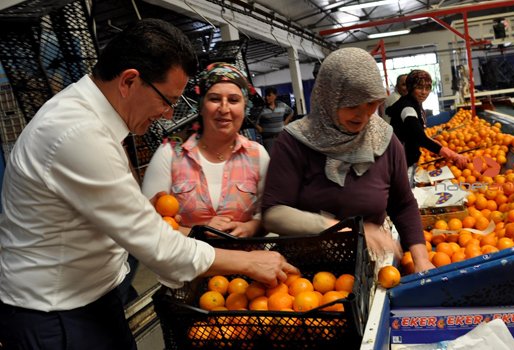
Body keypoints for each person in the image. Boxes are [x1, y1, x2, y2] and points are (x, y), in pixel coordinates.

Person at [0, 19, 297, 350]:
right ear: (129, 81)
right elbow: (156, 244)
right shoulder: (77, 133)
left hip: (93, 298)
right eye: (167, 100)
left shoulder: (98, 121)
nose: (169, 115)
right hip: (57, 314)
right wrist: (248, 262)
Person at [261, 48, 435, 273]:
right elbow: (274, 214)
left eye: (371, 104)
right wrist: (346, 229)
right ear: (328, 98)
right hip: (306, 274)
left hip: (370, 267)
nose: (363, 116)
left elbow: (402, 204)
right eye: (352, 105)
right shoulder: (295, 142)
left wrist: (421, 257)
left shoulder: (384, 139)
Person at [142, 63, 269, 237]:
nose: (224, 109)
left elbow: (268, 214)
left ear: (244, 107)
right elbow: (149, 224)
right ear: (201, 106)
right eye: (215, 99)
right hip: (186, 261)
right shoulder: (170, 154)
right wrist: (198, 232)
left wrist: (251, 227)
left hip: (247, 260)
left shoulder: (257, 155)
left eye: (233, 100)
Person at [386, 69, 469, 170]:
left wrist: (439, 147)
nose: (424, 92)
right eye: (420, 88)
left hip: (403, 157)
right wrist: (453, 155)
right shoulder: (408, 108)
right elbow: (419, 137)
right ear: (411, 87)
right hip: (400, 161)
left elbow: (416, 133)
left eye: (427, 88)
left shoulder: (412, 102)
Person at [258, 87, 294, 152]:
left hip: (281, 138)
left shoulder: (282, 105)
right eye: (266, 95)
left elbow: (291, 112)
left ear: (275, 96)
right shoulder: (261, 108)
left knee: (283, 157)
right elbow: (253, 120)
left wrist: (286, 121)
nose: (267, 97)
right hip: (268, 140)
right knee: (272, 160)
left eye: (269, 95)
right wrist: (258, 127)